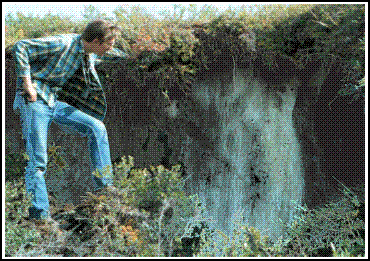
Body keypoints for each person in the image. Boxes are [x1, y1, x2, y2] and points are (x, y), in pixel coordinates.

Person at [12, 20, 127, 222]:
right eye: (109, 43)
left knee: (96, 127)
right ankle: (40, 217)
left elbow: (111, 56)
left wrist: (133, 54)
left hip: (54, 102)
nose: (111, 47)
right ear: (96, 41)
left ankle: (106, 189)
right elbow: (20, 47)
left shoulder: (88, 52)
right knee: (38, 161)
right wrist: (27, 84)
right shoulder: (62, 43)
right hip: (35, 101)